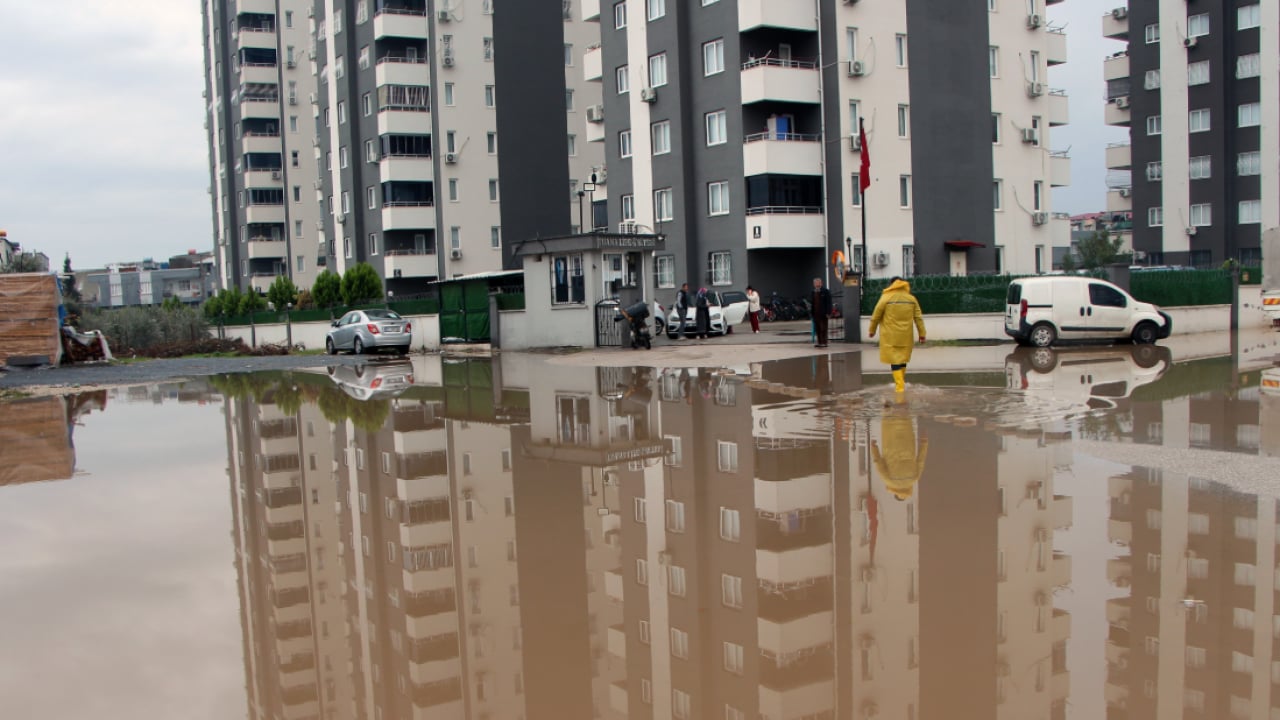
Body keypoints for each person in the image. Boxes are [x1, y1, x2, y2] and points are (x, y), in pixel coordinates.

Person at [868, 276, 927, 393]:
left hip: (890, 336)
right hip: (906, 335)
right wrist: (922, 334)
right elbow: (918, 318)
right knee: (903, 358)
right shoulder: (911, 299)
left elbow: (876, 315)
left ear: (891, 285)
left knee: (894, 360)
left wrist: (872, 330)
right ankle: (901, 383)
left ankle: (899, 386)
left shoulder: (886, 297)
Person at [870, 401, 928, 501]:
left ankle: (903, 398)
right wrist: (874, 448)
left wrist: (924, 443)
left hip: (907, 442)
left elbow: (921, 460)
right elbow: (878, 463)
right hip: (890, 443)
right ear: (895, 493)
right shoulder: (889, 482)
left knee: (903, 418)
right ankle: (887, 402)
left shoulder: (914, 478)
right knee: (888, 416)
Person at [811, 277, 833, 348]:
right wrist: (812, 313)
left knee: (823, 328)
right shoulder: (813, 292)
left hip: (823, 313)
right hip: (816, 313)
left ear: (820, 283)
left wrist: (828, 312)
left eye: (817, 283)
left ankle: (824, 342)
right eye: (815, 283)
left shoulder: (825, 291)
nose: (816, 284)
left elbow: (829, 303)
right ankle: (819, 342)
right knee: (817, 328)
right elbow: (812, 303)